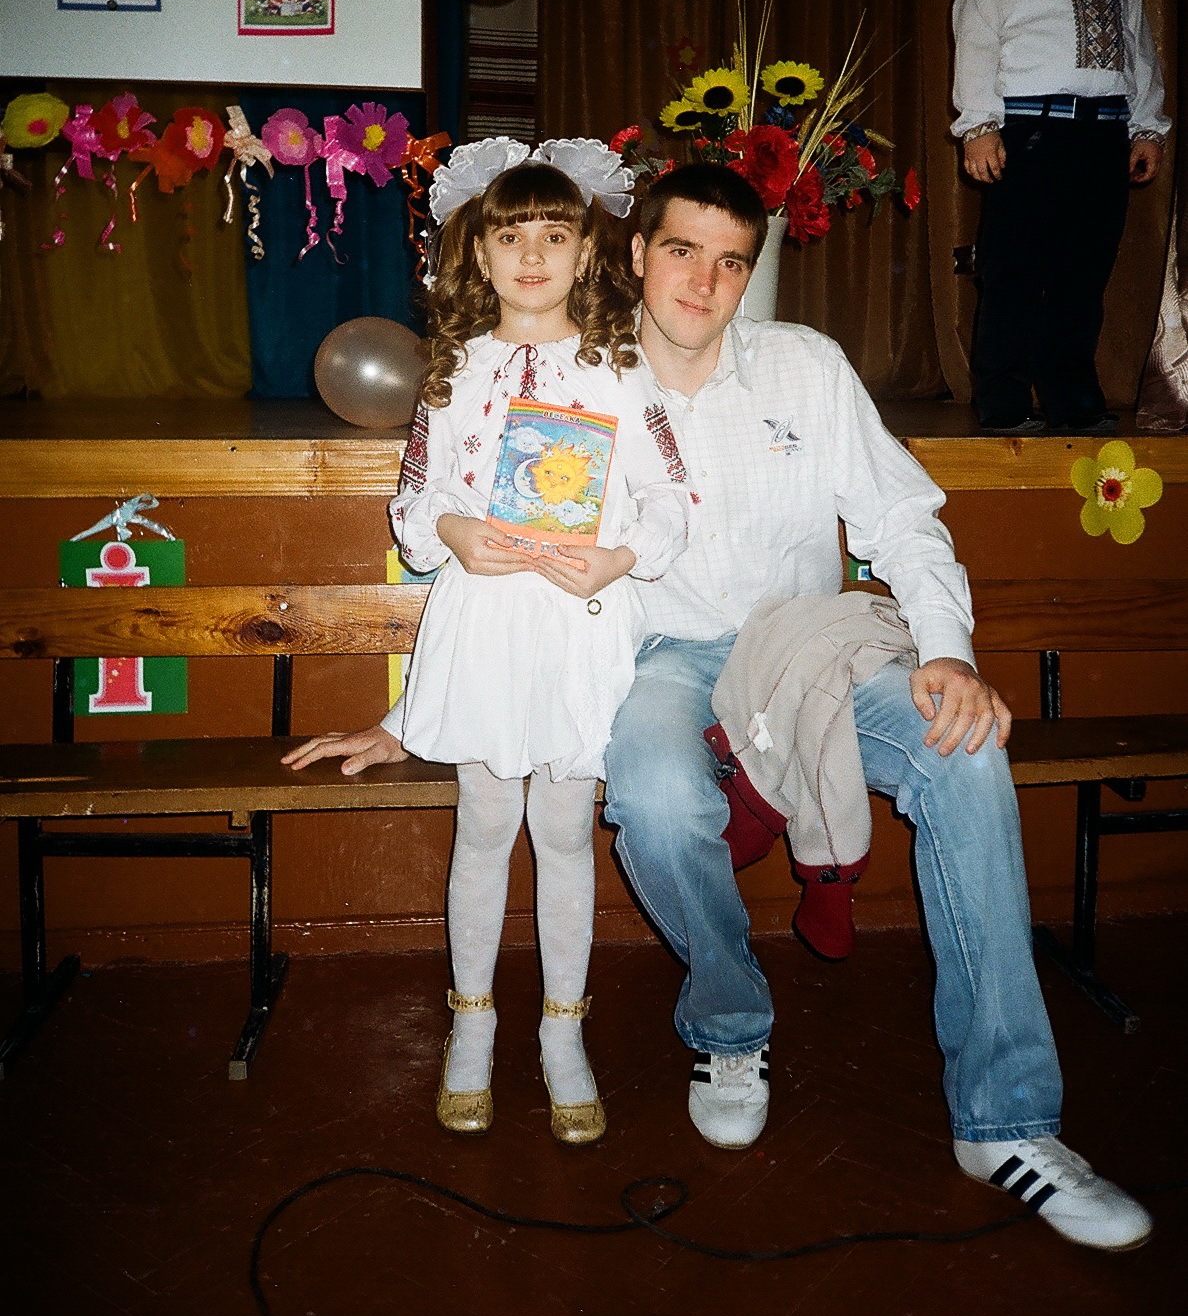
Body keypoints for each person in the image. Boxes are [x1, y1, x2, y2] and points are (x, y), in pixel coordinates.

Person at [599, 160, 1152, 1252]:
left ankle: (1007, 1121)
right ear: (635, 254)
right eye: (681, 251)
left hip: (811, 646)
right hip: (661, 655)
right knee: (655, 797)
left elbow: (902, 517)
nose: (704, 283)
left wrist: (948, 653)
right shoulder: (580, 384)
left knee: (964, 750)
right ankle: (730, 1024)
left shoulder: (806, 366)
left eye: (730, 262)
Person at [284, 138, 691, 1148]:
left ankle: (563, 1032)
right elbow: (416, 500)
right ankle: (472, 1025)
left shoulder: (622, 372)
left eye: (555, 235)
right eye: (512, 237)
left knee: (563, 833)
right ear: (476, 251)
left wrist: (621, 556)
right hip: (485, 621)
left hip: (575, 624)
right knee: (484, 824)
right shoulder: (453, 372)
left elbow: (672, 499)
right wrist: (453, 531)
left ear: (588, 252)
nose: (533, 255)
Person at [952, 0, 1169, 433]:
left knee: (1083, 274)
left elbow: (1138, 50)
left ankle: (1073, 397)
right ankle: (1003, 403)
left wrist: (1146, 126)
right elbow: (977, 43)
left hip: (1102, 135)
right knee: (1015, 271)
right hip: (1031, 134)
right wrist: (979, 125)